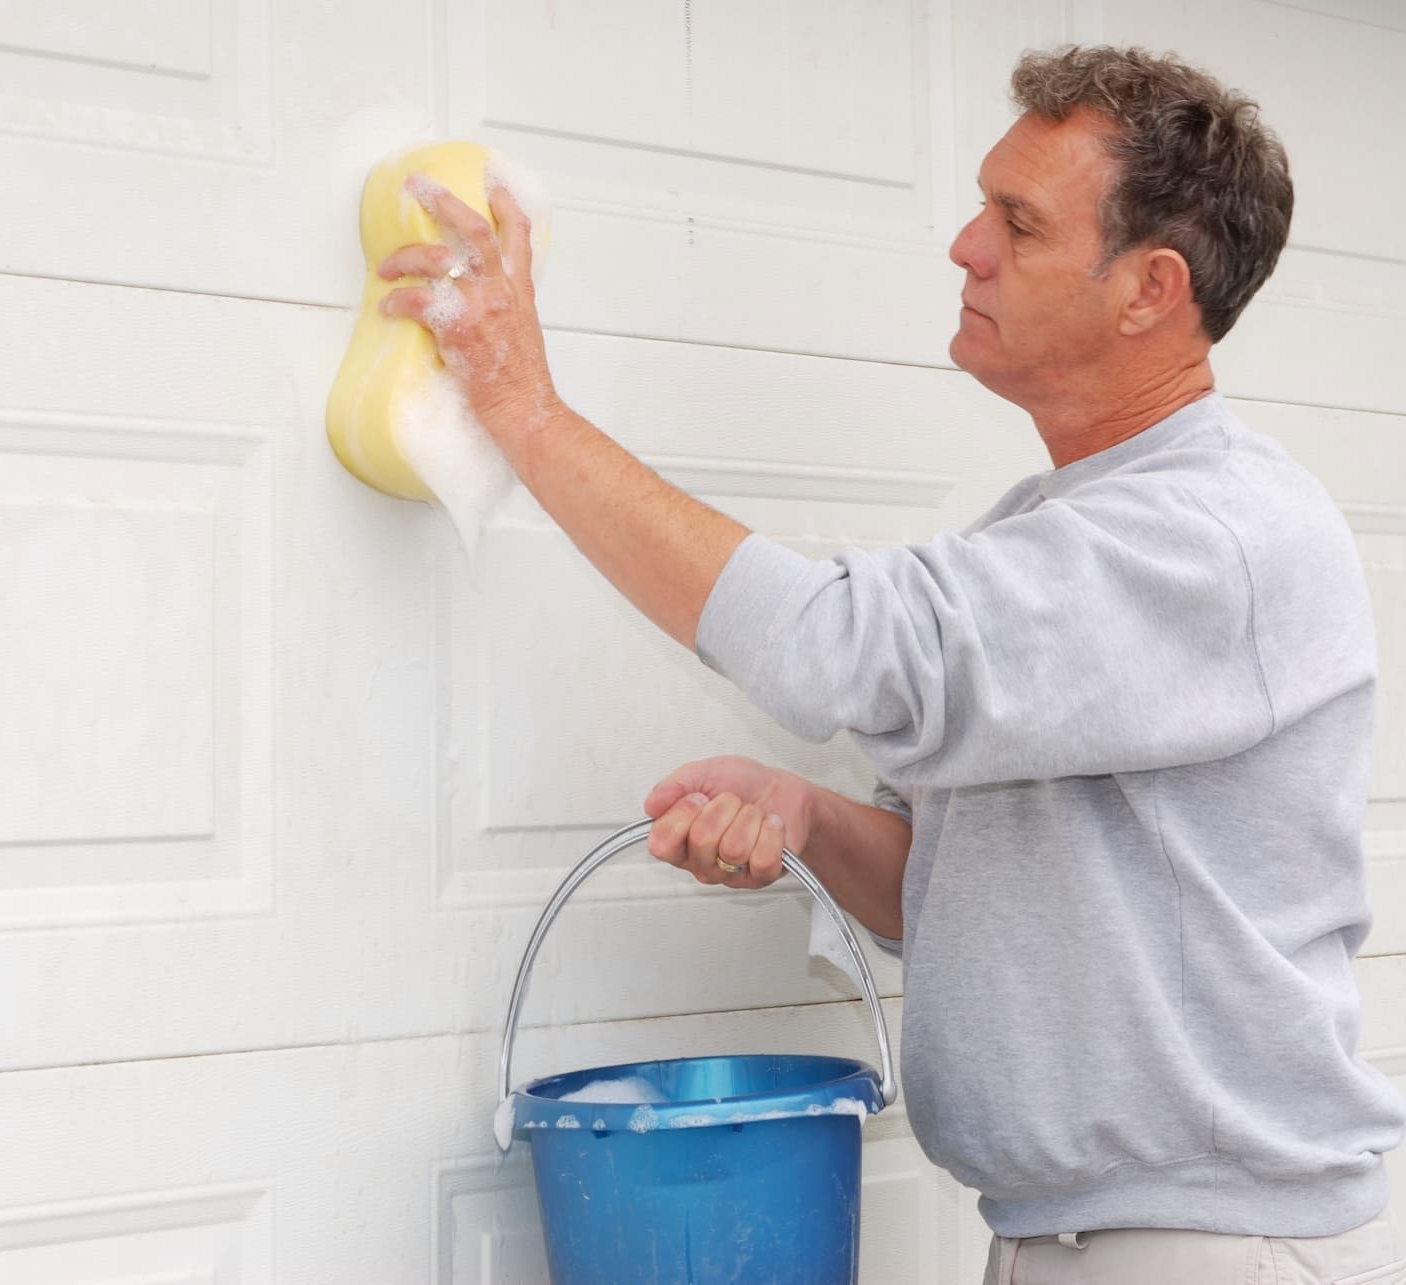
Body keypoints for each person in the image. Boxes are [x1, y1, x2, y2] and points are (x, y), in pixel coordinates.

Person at [376, 43, 1405, 1283]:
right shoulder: (1048, 533)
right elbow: (944, 892)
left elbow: (829, 642)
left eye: (1017, 224)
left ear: (1150, 288)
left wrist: (523, 410)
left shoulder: (1218, 538)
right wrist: (806, 815)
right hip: (1065, 1238)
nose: (966, 245)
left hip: (1212, 1246)